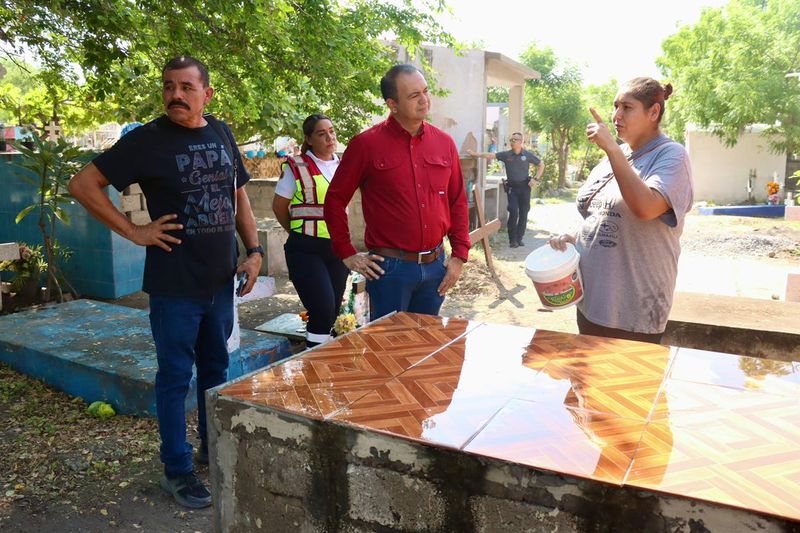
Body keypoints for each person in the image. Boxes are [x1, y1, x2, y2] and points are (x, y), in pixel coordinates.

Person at [68, 56, 262, 509]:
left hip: (220, 283)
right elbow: (83, 184)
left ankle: (211, 449)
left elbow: (238, 196)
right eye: (169, 86)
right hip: (174, 285)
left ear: (206, 94)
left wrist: (253, 252)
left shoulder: (222, 133)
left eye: (186, 87)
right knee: (175, 377)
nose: (176, 95)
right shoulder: (147, 140)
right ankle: (176, 469)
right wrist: (135, 231)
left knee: (216, 371)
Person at [549, 77, 693, 344]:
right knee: (589, 370)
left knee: (627, 372)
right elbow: (598, 214)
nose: (616, 115)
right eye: (615, 106)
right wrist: (576, 238)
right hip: (592, 302)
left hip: (636, 311)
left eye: (627, 107)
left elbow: (646, 208)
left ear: (654, 112)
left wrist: (612, 150)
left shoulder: (672, 156)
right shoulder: (611, 158)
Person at [323, 64, 470, 320]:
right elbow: (334, 200)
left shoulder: (444, 143)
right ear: (392, 104)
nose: (424, 100)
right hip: (389, 270)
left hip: (436, 267)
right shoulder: (366, 145)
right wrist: (346, 253)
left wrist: (459, 256)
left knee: (426, 340)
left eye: (425, 91)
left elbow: (457, 201)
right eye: (414, 95)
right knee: (390, 343)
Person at [272, 114, 349, 347]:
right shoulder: (297, 166)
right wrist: (297, 231)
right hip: (306, 249)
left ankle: (325, 356)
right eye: (321, 133)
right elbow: (279, 207)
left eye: (331, 131)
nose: (329, 137)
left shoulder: (343, 166)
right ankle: (314, 357)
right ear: (308, 139)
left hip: (337, 248)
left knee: (333, 310)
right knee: (322, 308)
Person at [468, 132, 544, 248]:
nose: (512, 142)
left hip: (525, 188)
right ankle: (512, 240)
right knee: (513, 211)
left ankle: (519, 238)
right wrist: (475, 154)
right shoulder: (507, 155)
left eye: (515, 140)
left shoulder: (527, 155)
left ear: (521, 141)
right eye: (511, 139)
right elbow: (491, 155)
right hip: (512, 188)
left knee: (523, 213)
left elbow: (541, 164)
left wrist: (536, 179)